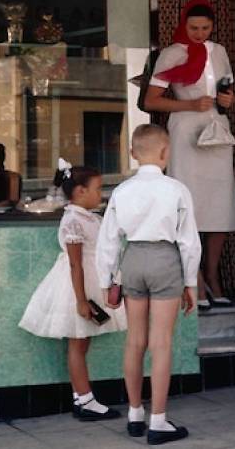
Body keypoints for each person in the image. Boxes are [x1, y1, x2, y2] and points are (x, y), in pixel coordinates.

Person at [97, 124, 201, 445]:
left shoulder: (121, 191)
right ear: (165, 153)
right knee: (161, 343)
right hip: (164, 259)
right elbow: (189, 242)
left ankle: (134, 414)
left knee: (134, 340)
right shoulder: (177, 189)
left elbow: (108, 240)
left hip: (133, 259)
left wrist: (107, 280)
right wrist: (190, 282)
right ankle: (158, 421)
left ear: (132, 154)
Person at [143, 0, 235, 311]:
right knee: (189, 206)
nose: (199, 33)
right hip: (186, 131)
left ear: (213, 27)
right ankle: (193, 276)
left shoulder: (219, 52)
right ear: (184, 25)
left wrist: (227, 100)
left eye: (205, 28)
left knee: (220, 208)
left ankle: (212, 275)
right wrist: (189, 104)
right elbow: (151, 101)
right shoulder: (171, 54)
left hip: (216, 129)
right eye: (193, 28)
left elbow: (228, 94)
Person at [19, 162, 126, 420]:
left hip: (91, 280)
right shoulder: (73, 221)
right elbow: (75, 263)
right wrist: (81, 300)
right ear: (80, 191)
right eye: (97, 189)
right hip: (78, 285)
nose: (100, 194)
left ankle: (81, 397)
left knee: (82, 341)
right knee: (78, 344)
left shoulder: (89, 218)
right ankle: (86, 400)